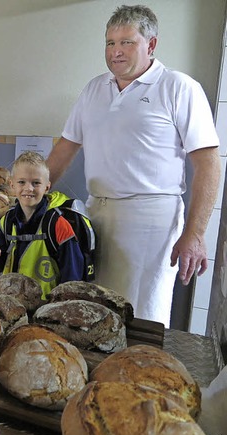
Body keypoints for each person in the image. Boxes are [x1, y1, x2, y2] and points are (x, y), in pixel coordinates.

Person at [46, 5, 220, 326]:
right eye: (110, 43)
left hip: (150, 221)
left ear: (151, 45)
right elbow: (65, 147)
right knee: (93, 311)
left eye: (127, 42)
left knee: (139, 315)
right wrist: (30, 198)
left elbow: (209, 164)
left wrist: (195, 234)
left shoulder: (179, 88)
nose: (116, 52)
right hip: (95, 213)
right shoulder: (94, 88)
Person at [0, 151, 85, 298]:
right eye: (22, 182)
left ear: (47, 187)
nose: (29, 188)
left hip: (45, 308)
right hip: (11, 304)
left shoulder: (57, 225)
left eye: (36, 183)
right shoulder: (7, 221)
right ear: (12, 185)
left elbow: (72, 278)